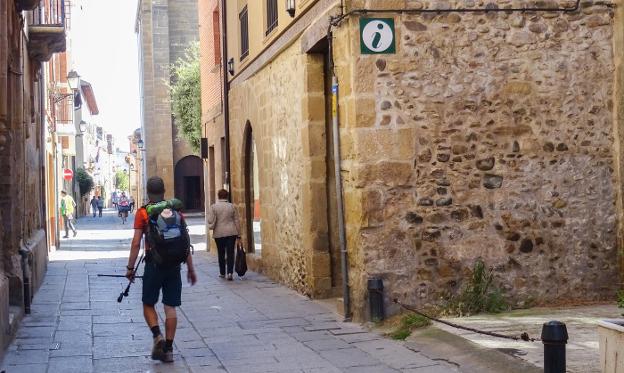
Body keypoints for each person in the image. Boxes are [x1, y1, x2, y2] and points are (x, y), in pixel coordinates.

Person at [125, 176, 197, 363]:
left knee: (148, 303)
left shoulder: (143, 213)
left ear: (148, 193)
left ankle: (157, 336)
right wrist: (190, 268)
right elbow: (184, 243)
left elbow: (135, 243)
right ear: (164, 191)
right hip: (174, 266)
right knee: (170, 306)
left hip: (153, 264)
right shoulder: (176, 212)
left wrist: (130, 268)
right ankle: (169, 350)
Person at [207, 189, 241, 281]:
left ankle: (222, 272)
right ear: (227, 196)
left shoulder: (214, 207)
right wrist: (239, 234)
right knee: (230, 253)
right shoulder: (232, 206)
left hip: (219, 233)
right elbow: (237, 221)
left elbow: (210, 220)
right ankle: (230, 273)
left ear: (218, 196)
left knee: (221, 253)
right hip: (231, 232)